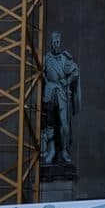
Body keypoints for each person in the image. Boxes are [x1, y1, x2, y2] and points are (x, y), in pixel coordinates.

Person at [41, 30, 82, 172]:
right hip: (49, 91)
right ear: (50, 43)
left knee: (64, 124)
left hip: (62, 93)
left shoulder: (65, 58)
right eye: (53, 42)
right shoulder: (46, 59)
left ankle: (64, 150)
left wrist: (68, 81)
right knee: (49, 122)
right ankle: (50, 150)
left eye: (57, 42)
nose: (55, 44)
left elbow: (75, 72)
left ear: (60, 42)